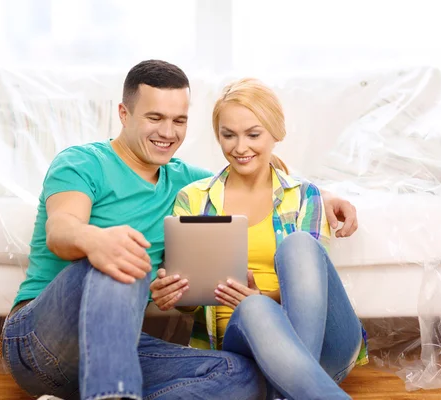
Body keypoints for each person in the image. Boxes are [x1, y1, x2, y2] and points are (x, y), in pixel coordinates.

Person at [0, 60, 358, 400]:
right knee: (123, 258)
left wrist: (323, 195)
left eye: (179, 120)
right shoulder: (82, 162)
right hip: (43, 339)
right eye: (155, 117)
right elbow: (61, 230)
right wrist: (100, 241)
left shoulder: (186, 183)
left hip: (117, 346)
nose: (168, 133)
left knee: (241, 376)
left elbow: (251, 174)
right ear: (124, 114)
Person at [151, 78, 368, 400]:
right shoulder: (193, 199)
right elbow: (189, 303)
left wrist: (261, 295)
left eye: (253, 134)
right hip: (242, 349)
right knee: (253, 310)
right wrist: (175, 294)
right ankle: (296, 391)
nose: (240, 148)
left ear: (275, 133)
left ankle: (292, 381)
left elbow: (312, 290)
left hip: (324, 348)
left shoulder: (305, 196)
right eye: (229, 135)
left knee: (298, 247)